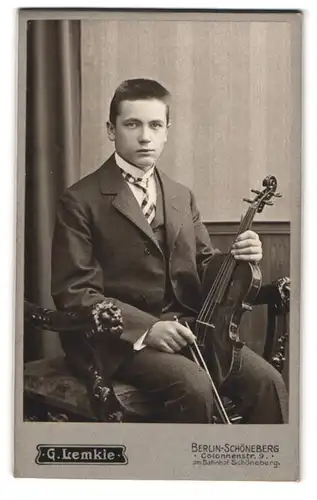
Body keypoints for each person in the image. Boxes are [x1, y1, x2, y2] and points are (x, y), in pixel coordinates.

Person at [51, 78, 288, 424]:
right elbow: (74, 292)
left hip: (190, 328)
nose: (145, 136)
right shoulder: (80, 200)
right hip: (116, 342)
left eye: (155, 125)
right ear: (111, 129)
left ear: (166, 131)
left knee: (268, 382)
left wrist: (238, 258)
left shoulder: (180, 195)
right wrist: (148, 329)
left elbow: (204, 264)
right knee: (194, 385)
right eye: (132, 124)